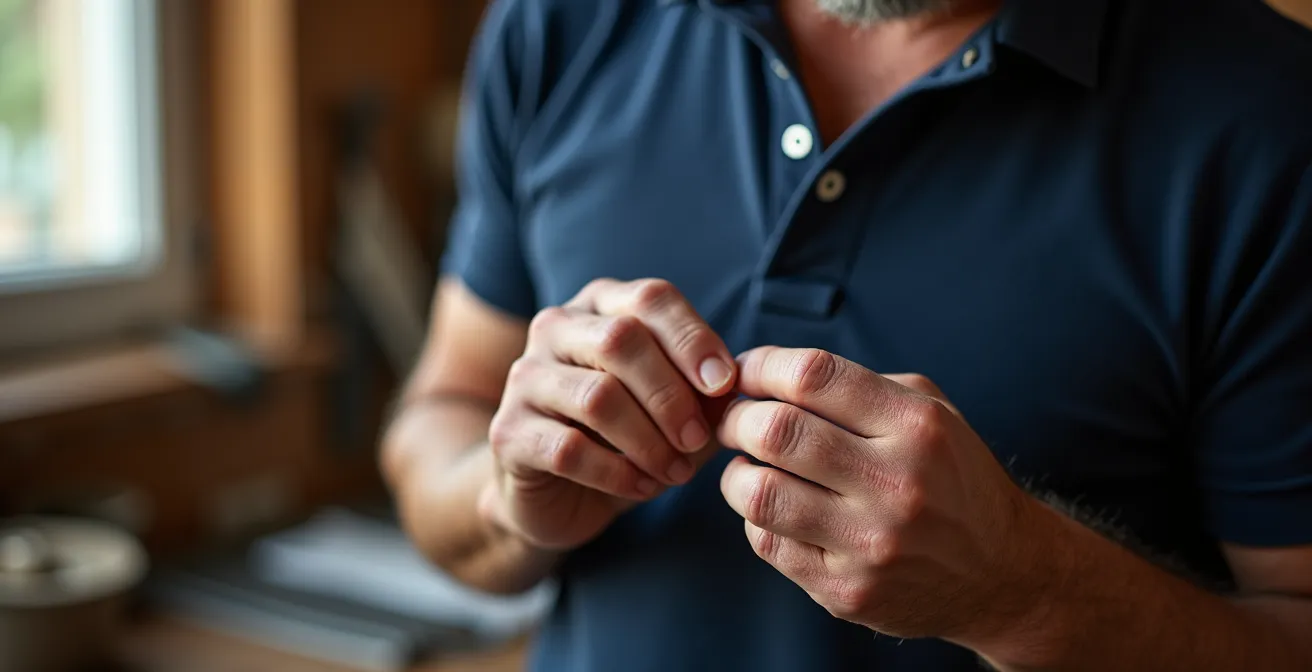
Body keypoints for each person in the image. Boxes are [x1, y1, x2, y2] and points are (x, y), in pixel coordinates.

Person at [382, 0, 1312, 669]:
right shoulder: (559, 25)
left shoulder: (1270, 119)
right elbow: (442, 414)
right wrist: (503, 502)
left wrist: (1022, 588)